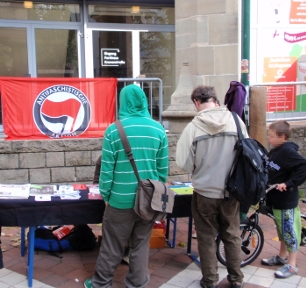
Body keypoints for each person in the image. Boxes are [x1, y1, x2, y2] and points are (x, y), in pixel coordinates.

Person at [84, 83, 169, 288]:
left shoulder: (113, 131)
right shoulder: (158, 130)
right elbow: (163, 171)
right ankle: (137, 283)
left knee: (112, 244)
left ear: (122, 102)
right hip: (148, 200)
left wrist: (106, 196)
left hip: (119, 200)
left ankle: (101, 283)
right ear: (143, 101)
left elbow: (106, 171)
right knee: (140, 244)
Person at [176, 85, 246, 288]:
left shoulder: (193, 127)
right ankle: (236, 279)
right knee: (232, 236)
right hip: (230, 191)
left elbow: (184, 162)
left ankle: (210, 280)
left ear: (196, 102)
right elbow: (246, 152)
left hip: (204, 191)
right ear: (215, 100)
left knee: (206, 237)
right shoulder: (236, 121)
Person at [261, 120, 306, 279]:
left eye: (272, 136)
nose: (269, 138)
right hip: (276, 200)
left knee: (289, 232)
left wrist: (288, 184)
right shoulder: (275, 150)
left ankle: (292, 265)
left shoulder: (288, 152)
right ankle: (282, 257)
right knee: (282, 230)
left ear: (282, 137)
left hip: (286, 201)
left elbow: (305, 166)